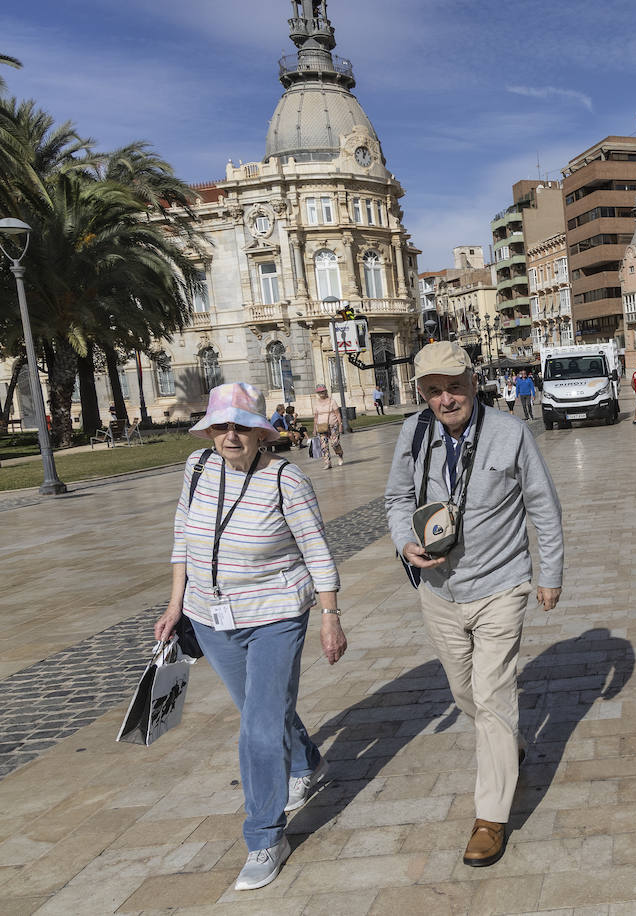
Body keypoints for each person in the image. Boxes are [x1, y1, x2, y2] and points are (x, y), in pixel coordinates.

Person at [153, 381, 346, 891]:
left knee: (258, 726)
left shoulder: (286, 480)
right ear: (210, 431)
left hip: (275, 615)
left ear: (261, 432)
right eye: (222, 426)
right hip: (209, 618)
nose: (231, 436)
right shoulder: (196, 469)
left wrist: (330, 615)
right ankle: (308, 760)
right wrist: (175, 607)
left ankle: (264, 836)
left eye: (242, 426)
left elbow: (318, 552)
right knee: (262, 710)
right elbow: (182, 542)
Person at [384, 341, 563, 868]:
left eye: (454, 387)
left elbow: (543, 507)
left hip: (502, 586)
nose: (446, 399)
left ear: (473, 381)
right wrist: (404, 541)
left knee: (492, 694)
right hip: (438, 592)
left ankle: (491, 817)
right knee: (467, 694)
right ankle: (509, 743)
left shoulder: (510, 433)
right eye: (434, 390)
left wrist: (548, 574)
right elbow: (397, 498)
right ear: (422, 393)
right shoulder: (414, 433)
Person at [311, 384, 344, 469]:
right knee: (324, 446)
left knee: (335, 443)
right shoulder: (316, 403)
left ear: (326, 391)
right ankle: (327, 463)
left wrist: (340, 425)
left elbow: (338, 414)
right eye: (319, 392)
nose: (321, 393)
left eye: (322, 391)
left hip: (333, 425)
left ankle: (340, 454)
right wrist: (314, 429)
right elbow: (315, 417)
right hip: (321, 427)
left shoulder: (332, 401)